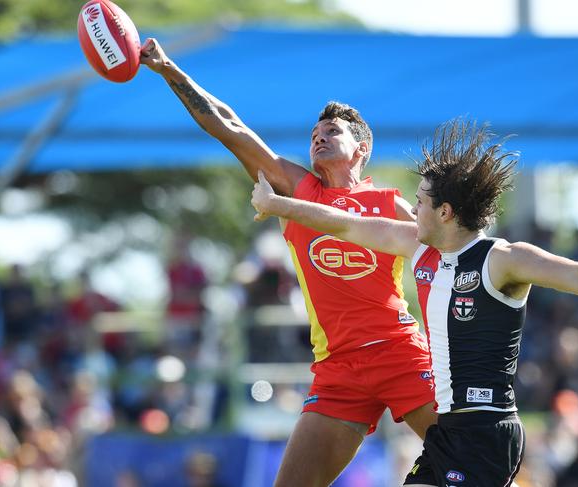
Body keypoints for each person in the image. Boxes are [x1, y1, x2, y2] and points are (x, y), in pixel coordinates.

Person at [251, 118, 578, 486]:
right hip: (450, 435)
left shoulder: (502, 259)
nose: (412, 209)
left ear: (445, 212)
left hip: (485, 433)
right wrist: (277, 205)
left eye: (420, 202)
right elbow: (343, 224)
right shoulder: (419, 248)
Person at [140, 39, 436, 487]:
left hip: (399, 352)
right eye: (315, 133)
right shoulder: (298, 190)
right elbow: (229, 127)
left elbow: (449, 257)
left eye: (332, 131)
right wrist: (169, 71)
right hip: (338, 369)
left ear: (362, 149)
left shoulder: (390, 204)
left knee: (472, 465)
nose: (319, 136)